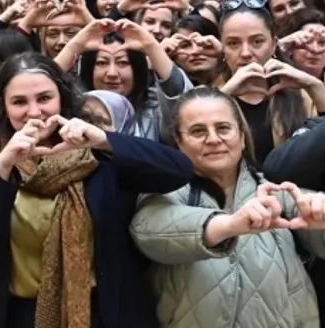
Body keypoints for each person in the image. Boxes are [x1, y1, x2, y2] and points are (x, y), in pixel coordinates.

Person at [0, 52, 193, 328]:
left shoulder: (97, 155)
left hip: (101, 313)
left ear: (62, 99)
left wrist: (104, 140)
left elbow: (179, 170)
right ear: (3, 106)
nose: (34, 112)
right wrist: (4, 164)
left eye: (44, 98)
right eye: (19, 102)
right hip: (19, 315)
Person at [132, 87, 325, 326]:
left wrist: (319, 212)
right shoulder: (163, 192)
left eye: (223, 128)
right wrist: (229, 224)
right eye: (198, 131)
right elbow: (150, 232)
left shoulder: (276, 193)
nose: (213, 139)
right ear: (179, 142)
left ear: (242, 137)